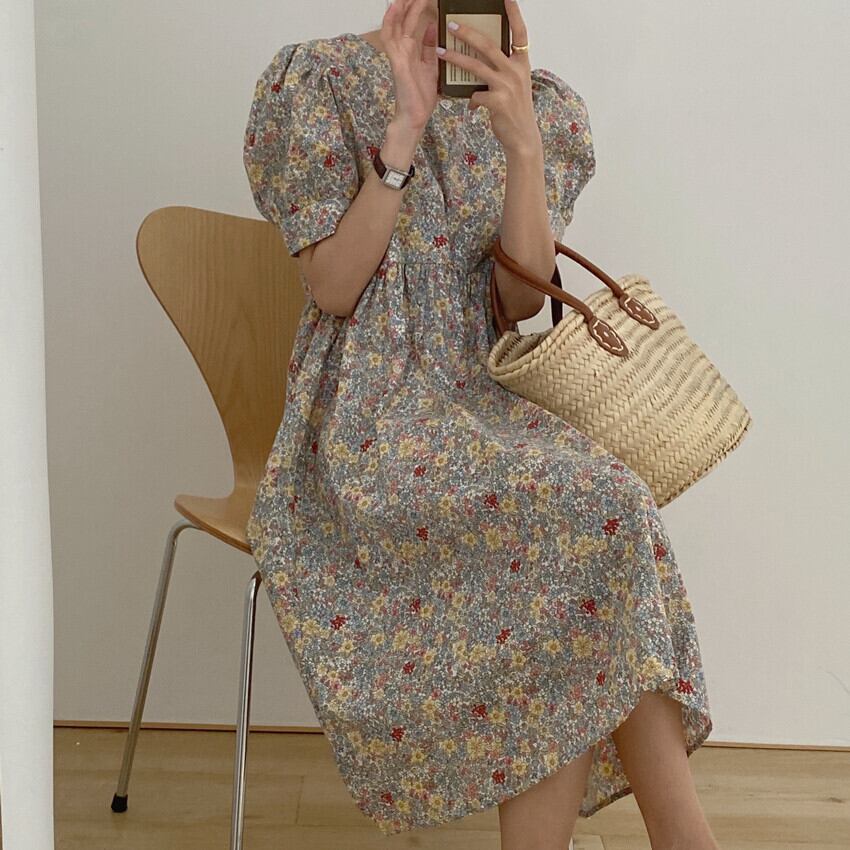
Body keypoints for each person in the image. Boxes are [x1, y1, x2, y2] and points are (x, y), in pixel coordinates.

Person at [242, 0, 720, 847]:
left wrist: (522, 145)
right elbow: (335, 289)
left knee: (604, 504)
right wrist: (404, 127)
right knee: (585, 515)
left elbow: (520, 301)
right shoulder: (315, 80)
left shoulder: (539, 102)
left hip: (483, 402)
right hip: (367, 418)